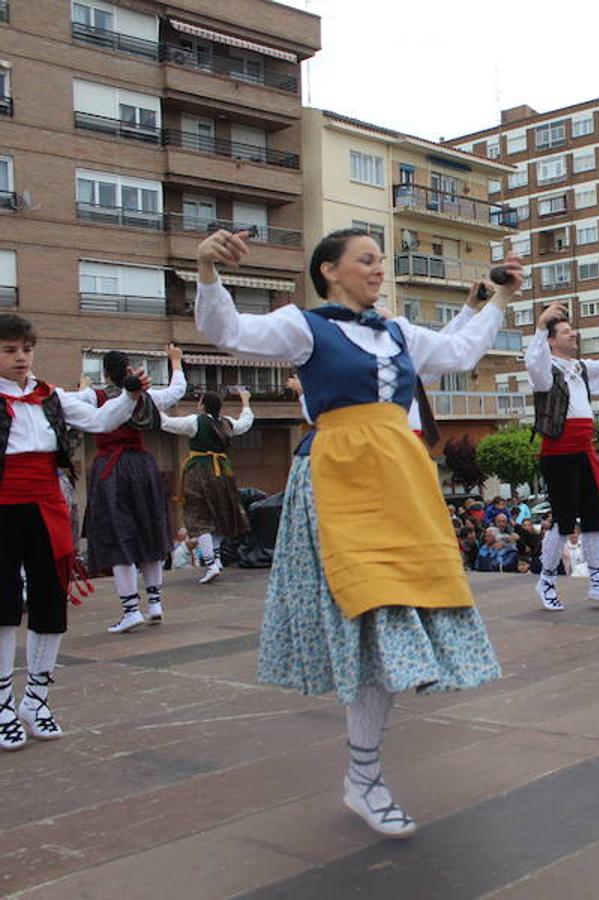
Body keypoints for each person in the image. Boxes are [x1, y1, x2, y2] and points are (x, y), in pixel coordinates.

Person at [194, 228, 517, 837]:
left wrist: (497, 301)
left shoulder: (397, 333)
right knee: (367, 607)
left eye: (379, 261)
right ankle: (364, 778)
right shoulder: (302, 326)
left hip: (399, 478)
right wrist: (209, 275)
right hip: (340, 479)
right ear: (329, 271)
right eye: (366, 260)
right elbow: (229, 332)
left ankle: (364, 774)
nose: (377, 270)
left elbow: (459, 352)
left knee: (392, 609)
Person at [0, 313, 147, 750]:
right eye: (10, 350)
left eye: (26, 349)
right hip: (2, 508)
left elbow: (103, 421)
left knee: (49, 599)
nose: (21, 357)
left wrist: (130, 394)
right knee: (3, 605)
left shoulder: (52, 397)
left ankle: (37, 699)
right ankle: (3, 704)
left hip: (48, 507)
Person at [528, 301, 599, 611]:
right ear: (551, 340)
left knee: (594, 518)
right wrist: (541, 326)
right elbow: (534, 360)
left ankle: (597, 583)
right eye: (566, 331)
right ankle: (547, 580)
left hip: (583, 450)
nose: (573, 334)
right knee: (564, 522)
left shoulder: (579, 368)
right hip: (558, 452)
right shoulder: (544, 369)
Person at [78, 345, 187, 633]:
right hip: (143, 467)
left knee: (119, 536)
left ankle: (130, 610)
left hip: (111, 469)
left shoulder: (96, 396)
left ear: (105, 373)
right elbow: (178, 390)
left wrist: (83, 388)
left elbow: (71, 404)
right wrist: (175, 361)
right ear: (128, 369)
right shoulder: (147, 396)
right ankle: (154, 604)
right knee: (149, 530)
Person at [159, 388, 253, 585]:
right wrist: (245, 402)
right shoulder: (226, 423)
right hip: (224, 473)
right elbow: (245, 424)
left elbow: (166, 423)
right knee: (218, 515)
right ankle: (216, 560)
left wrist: (154, 405)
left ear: (202, 405)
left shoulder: (196, 421)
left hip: (200, 471)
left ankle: (210, 564)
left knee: (198, 516)